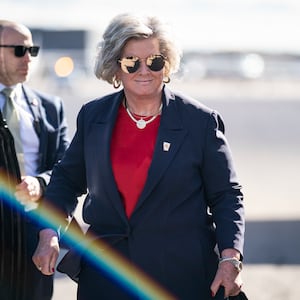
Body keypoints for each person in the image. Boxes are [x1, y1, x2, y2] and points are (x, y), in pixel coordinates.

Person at [33, 13, 245, 300]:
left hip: (180, 276)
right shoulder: (93, 116)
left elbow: (226, 195)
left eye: (155, 61)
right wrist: (49, 232)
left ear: (167, 65)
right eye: (132, 62)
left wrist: (230, 257)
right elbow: (66, 181)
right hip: (106, 274)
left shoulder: (200, 122)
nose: (144, 70)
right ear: (115, 68)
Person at [0, 20, 69, 300]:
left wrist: (41, 183)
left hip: (34, 237)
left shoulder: (50, 108)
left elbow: (67, 170)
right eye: (19, 50)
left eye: (32, 50)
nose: (28, 58)